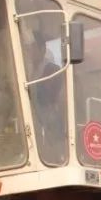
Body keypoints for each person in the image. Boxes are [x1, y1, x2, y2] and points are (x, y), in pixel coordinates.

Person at [23, 25, 67, 164]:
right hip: (33, 118)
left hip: (49, 119)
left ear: (42, 49)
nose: (29, 52)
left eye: (32, 48)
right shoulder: (28, 71)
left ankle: (55, 156)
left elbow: (47, 97)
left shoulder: (52, 69)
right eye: (28, 48)